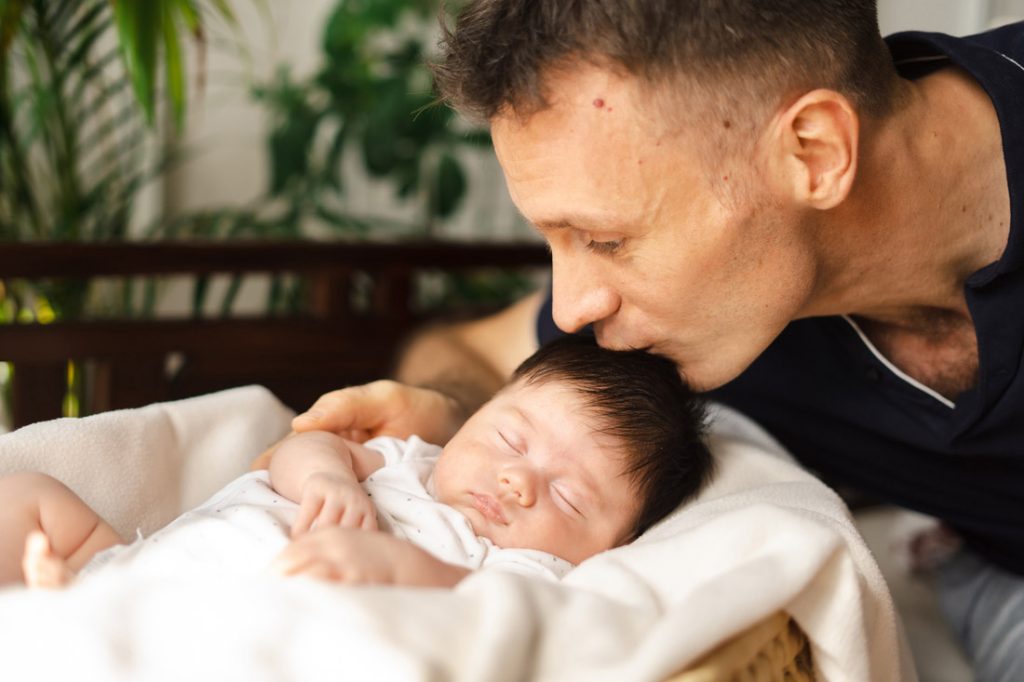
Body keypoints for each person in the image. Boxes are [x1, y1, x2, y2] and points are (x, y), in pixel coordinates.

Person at [271, 3, 1024, 680]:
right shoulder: (710, 311)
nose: (570, 308)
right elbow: (466, 352)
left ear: (814, 152)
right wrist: (457, 411)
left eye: (605, 238)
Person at [0, 335, 713, 589]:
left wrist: (403, 570)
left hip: (242, 640)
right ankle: (73, 601)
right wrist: (327, 475)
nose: (518, 482)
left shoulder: (527, 573)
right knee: (31, 497)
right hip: (131, 568)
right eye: (510, 439)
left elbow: (493, 615)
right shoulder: (407, 460)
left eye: (570, 497)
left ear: (614, 547)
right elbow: (298, 447)